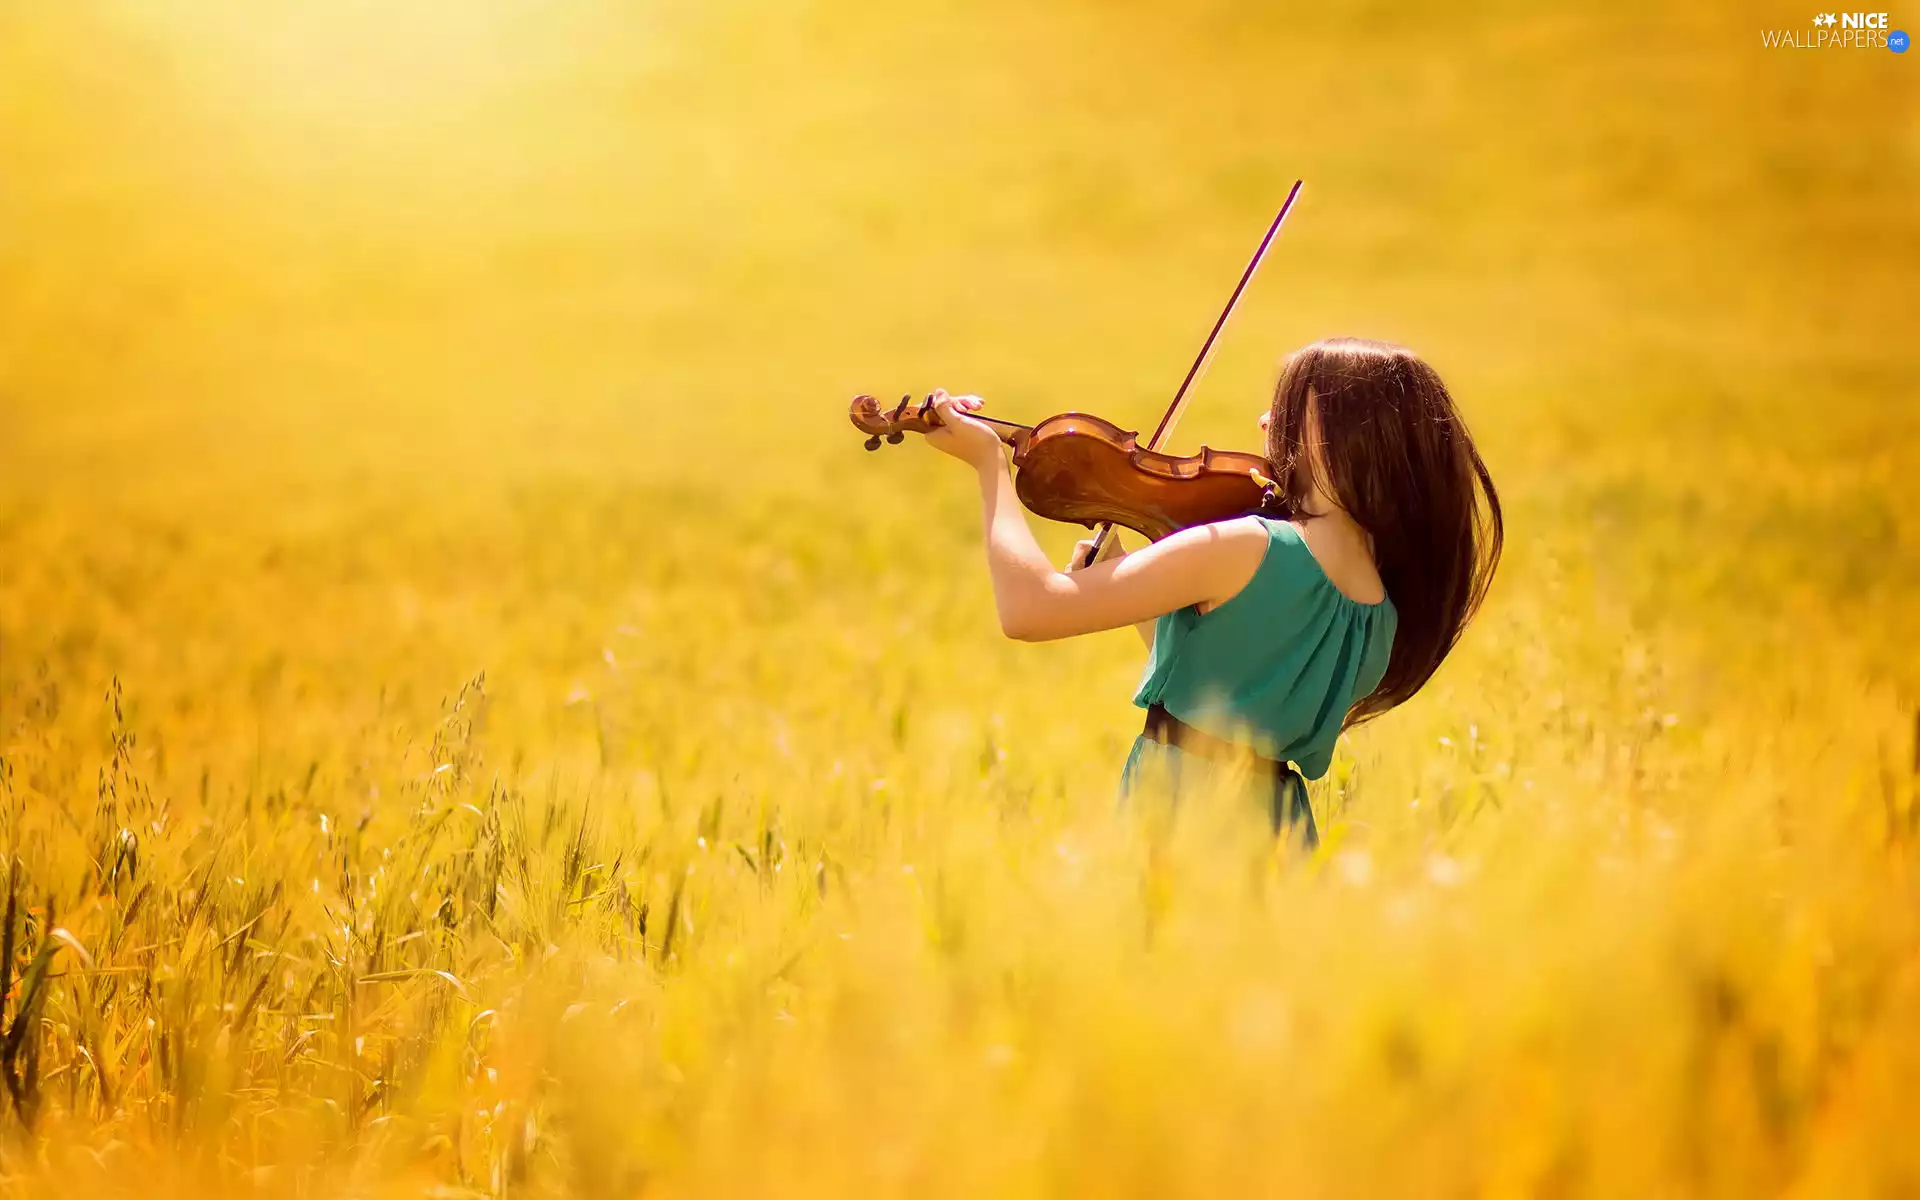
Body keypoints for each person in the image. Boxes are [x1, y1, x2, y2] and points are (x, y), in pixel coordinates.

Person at [922, 337, 1504, 849]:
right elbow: (1224, 683)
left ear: (1340, 438)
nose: (1263, 421)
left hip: (1182, 813)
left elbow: (1030, 608)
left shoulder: (1244, 546)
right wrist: (1127, 574)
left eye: (1289, 410)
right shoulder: (1380, 607)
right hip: (1276, 827)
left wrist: (990, 468)